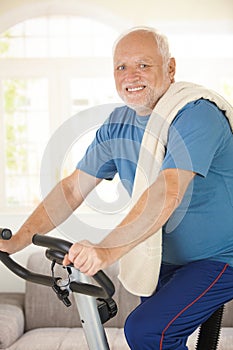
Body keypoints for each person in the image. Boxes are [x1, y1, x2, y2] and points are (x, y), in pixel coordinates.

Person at [1, 26, 233, 350]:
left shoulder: (197, 116)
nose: (131, 75)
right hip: (161, 259)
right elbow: (72, 189)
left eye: (144, 65)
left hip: (220, 259)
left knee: (146, 332)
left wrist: (106, 250)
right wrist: (18, 240)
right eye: (121, 67)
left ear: (171, 68)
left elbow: (166, 190)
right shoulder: (117, 124)